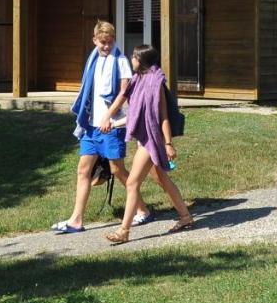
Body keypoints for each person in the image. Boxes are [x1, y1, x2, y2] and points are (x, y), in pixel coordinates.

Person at [51, 20, 152, 233]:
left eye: (110, 41)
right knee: (83, 170)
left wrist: (108, 116)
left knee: (117, 169)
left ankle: (142, 209)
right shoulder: (93, 59)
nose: (107, 46)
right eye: (103, 42)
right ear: (95, 40)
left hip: (112, 124)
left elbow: (123, 93)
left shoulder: (121, 61)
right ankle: (76, 220)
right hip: (91, 125)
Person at [101, 43, 194, 244]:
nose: (131, 60)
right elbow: (134, 112)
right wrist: (113, 121)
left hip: (154, 139)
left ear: (140, 60)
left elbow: (163, 116)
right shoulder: (137, 80)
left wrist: (168, 143)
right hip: (145, 138)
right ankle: (185, 217)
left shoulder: (155, 83)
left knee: (133, 182)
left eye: (133, 57)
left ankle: (123, 231)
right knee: (162, 179)